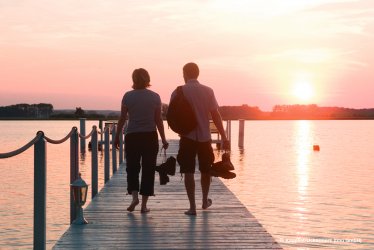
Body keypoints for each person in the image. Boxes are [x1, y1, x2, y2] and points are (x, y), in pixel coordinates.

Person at [170, 62, 230, 216]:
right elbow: (215, 115)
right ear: (198, 73)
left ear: (185, 74)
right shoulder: (208, 91)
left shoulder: (178, 91)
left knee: (188, 171)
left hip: (187, 137)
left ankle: (192, 207)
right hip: (204, 137)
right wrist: (224, 136)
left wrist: (179, 129)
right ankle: (204, 200)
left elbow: (171, 116)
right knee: (205, 170)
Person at [114, 68, 168, 213]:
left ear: (133, 79)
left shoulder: (127, 96)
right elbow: (158, 120)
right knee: (148, 169)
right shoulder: (155, 97)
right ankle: (144, 206)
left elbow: (122, 118)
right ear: (147, 79)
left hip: (132, 136)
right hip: (149, 136)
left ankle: (134, 198)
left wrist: (117, 136)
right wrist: (163, 138)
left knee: (132, 167)